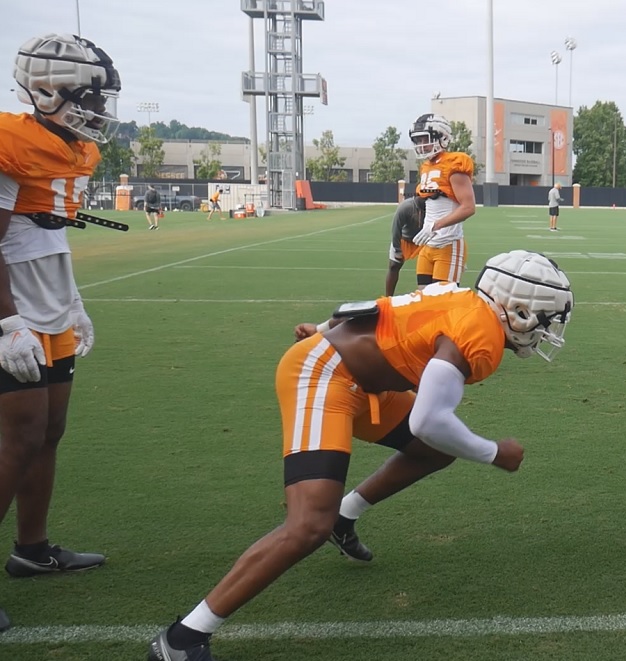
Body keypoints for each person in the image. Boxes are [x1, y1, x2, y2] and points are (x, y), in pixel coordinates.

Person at [147, 250, 574, 660]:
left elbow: (366, 308)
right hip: (325, 376)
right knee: (305, 526)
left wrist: (321, 327)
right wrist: (495, 453)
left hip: (355, 379)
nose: (548, 330)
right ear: (518, 309)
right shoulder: (481, 336)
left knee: (433, 452)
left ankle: (345, 515)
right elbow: (429, 418)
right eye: (547, 319)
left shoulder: (461, 296)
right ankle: (183, 638)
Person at [0, 33, 121, 633]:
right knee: (18, 438)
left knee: (49, 431)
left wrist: (71, 300)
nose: (97, 112)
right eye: (87, 97)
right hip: (12, 311)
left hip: (48, 307)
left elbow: (46, 232)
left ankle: (31, 547)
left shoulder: (70, 149)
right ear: (45, 90)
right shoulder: (11, 140)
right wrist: (6, 320)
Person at [409, 114, 475, 288]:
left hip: (448, 244)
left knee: (442, 303)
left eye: (425, 138)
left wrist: (435, 225)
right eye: (418, 139)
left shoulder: (454, 163)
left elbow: (468, 207)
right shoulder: (426, 166)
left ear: (442, 137)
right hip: (427, 245)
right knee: (424, 301)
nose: (421, 144)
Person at [384, 195, 424, 296]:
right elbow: (396, 228)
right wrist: (397, 250)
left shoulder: (433, 207)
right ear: (417, 195)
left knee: (427, 269)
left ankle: (428, 297)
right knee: (394, 266)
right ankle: (388, 298)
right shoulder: (406, 206)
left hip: (424, 241)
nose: (427, 200)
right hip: (404, 239)